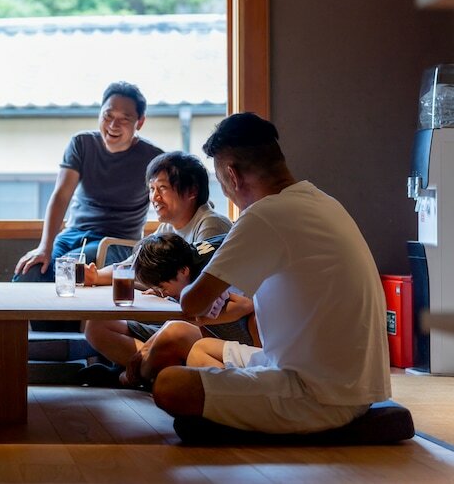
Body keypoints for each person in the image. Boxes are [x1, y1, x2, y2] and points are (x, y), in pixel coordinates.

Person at [152, 113, 391, 434]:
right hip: (346, 383)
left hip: (318, 394)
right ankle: (232, 407)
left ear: (232, 175)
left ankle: (233, 411)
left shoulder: (264, 215)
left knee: (169, 384)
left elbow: (191, 303)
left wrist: (192, 290)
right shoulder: (321, 201)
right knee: (199, 348)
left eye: (221, 182)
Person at [82, 152, 232, 372]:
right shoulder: (167, 227)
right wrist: (95, 276)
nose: (154, 197)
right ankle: (144, 373)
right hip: (170, 317)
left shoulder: (210, 225)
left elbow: (202, 292)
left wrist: (163, 289)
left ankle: (139, 373)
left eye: (162, 188)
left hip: (202, 326)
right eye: (152, 189)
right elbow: (132, 266)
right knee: (97, 326)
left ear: (192, 191)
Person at [14, 81, 165, 282]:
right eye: (108, 116)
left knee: (67, 270)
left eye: (124, 119)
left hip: (117, 242)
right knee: (30, 271)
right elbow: (61, 196)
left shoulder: (153, 158)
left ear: (140, 122)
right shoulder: (82, 144)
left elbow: (167, 202)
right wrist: (44, 247)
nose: (113, 125)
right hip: (72, 235)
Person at [116, 234, 256, 389]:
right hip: (222, 334)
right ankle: (136, 372)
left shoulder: (208, 275)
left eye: (163, 287)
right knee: (168, 329)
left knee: (174, 330)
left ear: (184, 271)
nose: (162, 292)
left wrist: (197, 318)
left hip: (247, 340)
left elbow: (247, 304)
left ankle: (136, 377)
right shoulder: (188, 259)